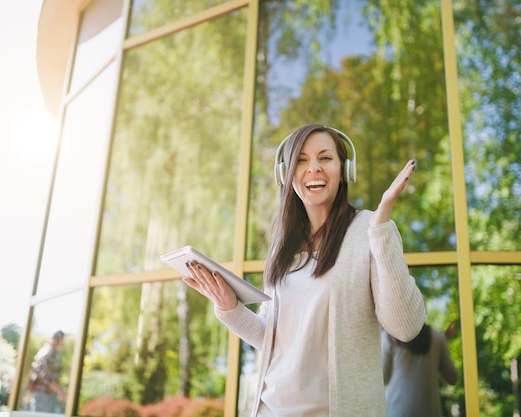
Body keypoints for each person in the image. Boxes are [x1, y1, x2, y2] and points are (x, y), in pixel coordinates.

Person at [183, 123, 426, 416]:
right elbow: (275, 340)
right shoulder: (282, 248)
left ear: (345, 170)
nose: (314, 168)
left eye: (325, 158)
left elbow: (406, 327)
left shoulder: (370, 229)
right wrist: (229, 307)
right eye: (301, 160)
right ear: (285, 175)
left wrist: (382, 227)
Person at [381, 322, 459, 417]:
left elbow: (382, 379)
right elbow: (452, 378)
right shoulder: (438, 338)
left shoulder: (387, 338)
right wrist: (436, 354)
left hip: (395, 411)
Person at [29, 330, 68, 412]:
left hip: (49, 395)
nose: (63, 344)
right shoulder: (48, 353)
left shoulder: (54, 354)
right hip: (43, 396)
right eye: (61, 340)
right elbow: (46, 377)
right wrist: (61, 393)